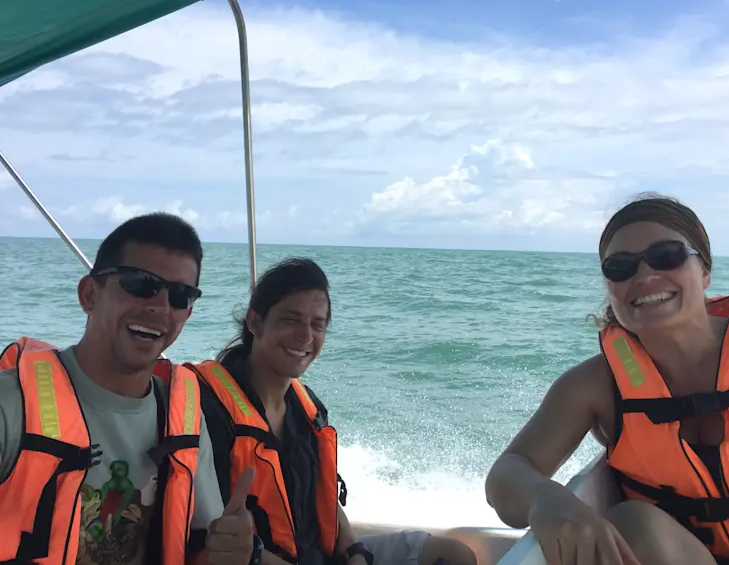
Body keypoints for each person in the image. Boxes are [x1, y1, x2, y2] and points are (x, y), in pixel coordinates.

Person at [484, 194, 729, 565]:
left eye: (667, 256)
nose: (645, 276)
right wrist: (544, 497)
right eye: (620, 267)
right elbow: (506, 474)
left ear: (704, 271)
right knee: (634, 524)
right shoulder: (595, 386)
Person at [0, 212, 256, 565]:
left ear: (187, 314)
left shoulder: (185, 422)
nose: (160, 307)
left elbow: (196, 550)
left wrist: (229, 552)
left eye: (180, 296)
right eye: (140, 284)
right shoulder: (11, 408)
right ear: (90, 294)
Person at [194, 257, 478, 565]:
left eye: (318, 325)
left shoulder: (308, 408)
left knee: (455, 556)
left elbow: (324, 498)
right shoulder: (210, 412)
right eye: (291, 320)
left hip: (321, 556)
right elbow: (215, 544)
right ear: (255, 322)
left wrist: (355, 551)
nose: (306, 336)